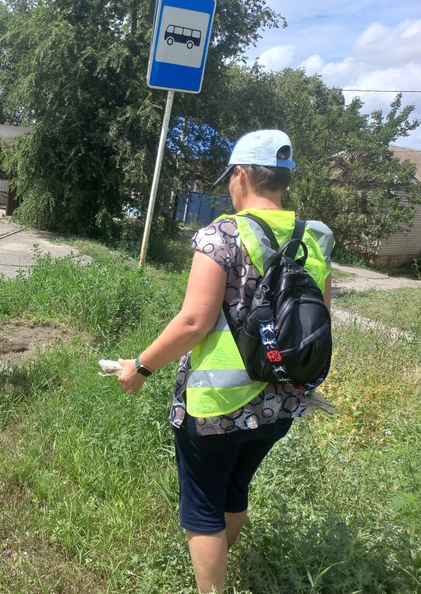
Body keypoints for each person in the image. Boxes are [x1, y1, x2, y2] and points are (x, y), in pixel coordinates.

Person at [117, 130, 334, 593]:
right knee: (235, 489)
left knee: (201, 507)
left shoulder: (223, 234)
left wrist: (139, 367)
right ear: (283, 179)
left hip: (217, 405)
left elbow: (194, 321)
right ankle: (215, 560)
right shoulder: (314, 240)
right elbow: (319, 324)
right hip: (282, 403)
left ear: (240, 175)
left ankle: (210, 584)